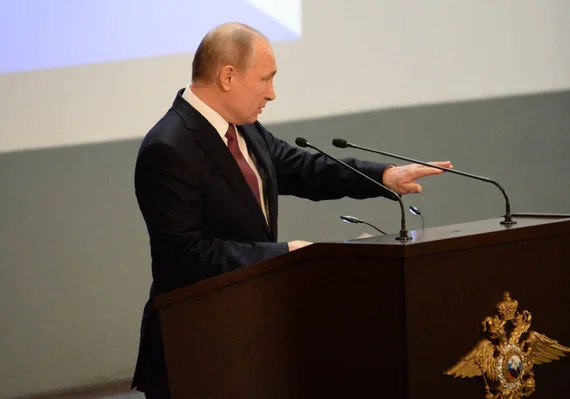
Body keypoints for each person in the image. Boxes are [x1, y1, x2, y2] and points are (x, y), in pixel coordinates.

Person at [131, 22, 452, 398]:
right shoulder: (168, 148)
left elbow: (305, 169)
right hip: (196, 345)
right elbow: (183, 256)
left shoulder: (245, 129)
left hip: (251, 334)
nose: (272, 94)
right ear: (228, 76)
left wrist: (384, 176)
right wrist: (285, 254)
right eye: (266, 79)